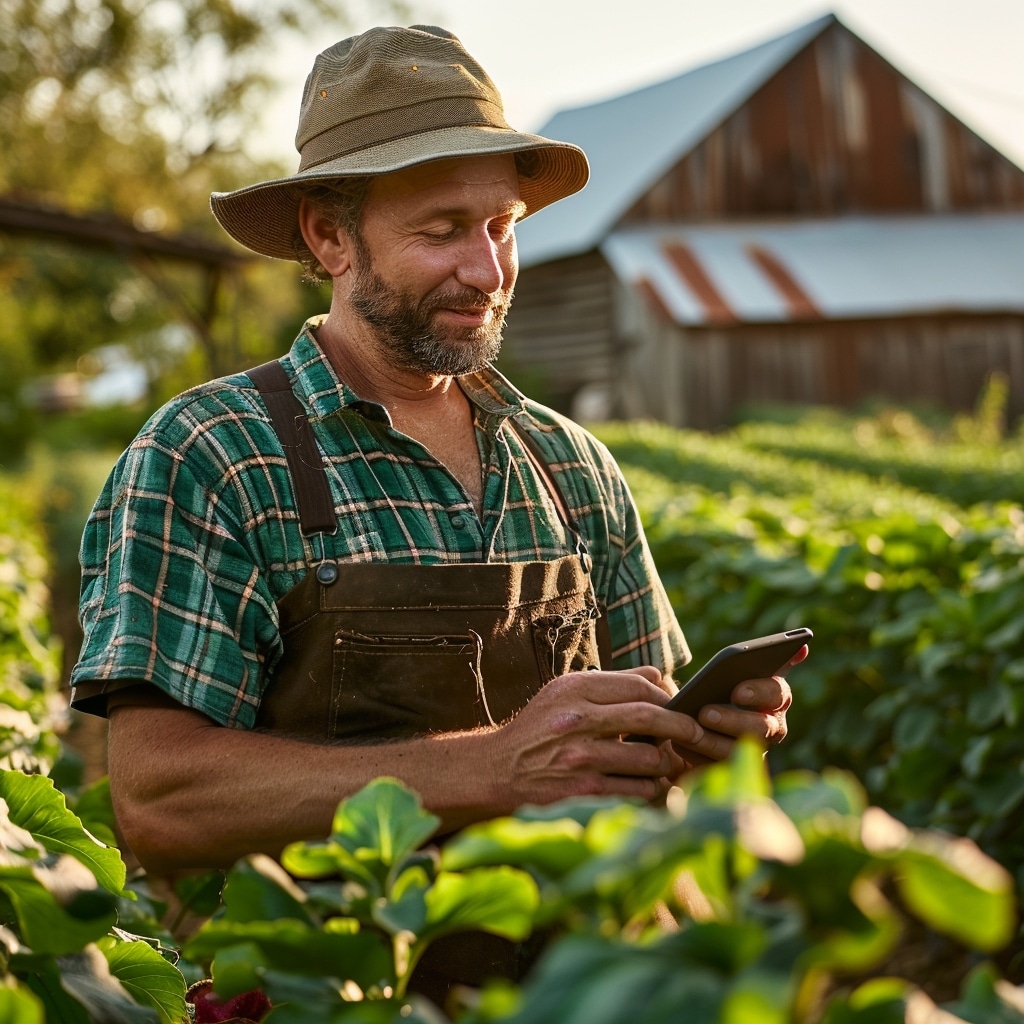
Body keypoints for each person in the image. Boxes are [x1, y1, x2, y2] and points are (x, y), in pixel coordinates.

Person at [71, 25, 797, 889]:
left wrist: (699, 744)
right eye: (444, 230)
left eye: (502, 226)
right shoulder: (214, 456)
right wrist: (493, 767)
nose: (487, 269)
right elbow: (162, 801)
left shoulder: (571, 465)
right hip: (329, 986)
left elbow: (641, 747)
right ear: (330, 238)